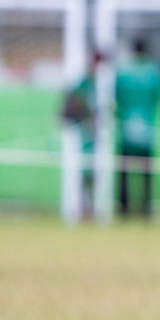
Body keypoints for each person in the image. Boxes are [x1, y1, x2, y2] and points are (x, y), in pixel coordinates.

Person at [114, 39, 160, 219]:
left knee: (124, 171)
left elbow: (117, 97)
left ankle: (123, 209)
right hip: (147, 128)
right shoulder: (154, 71)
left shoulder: (122, 71)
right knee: (146, 172)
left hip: (125, 128)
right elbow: (158, 97)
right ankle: (145, 209)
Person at [60, 50, 103, 218]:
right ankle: (85, 208)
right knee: (86, 171)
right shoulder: (84, 83)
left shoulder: (93, 83)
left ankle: (89, 207)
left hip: (91, 134)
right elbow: (71, 101)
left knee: (91, 172)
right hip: (85, 134)